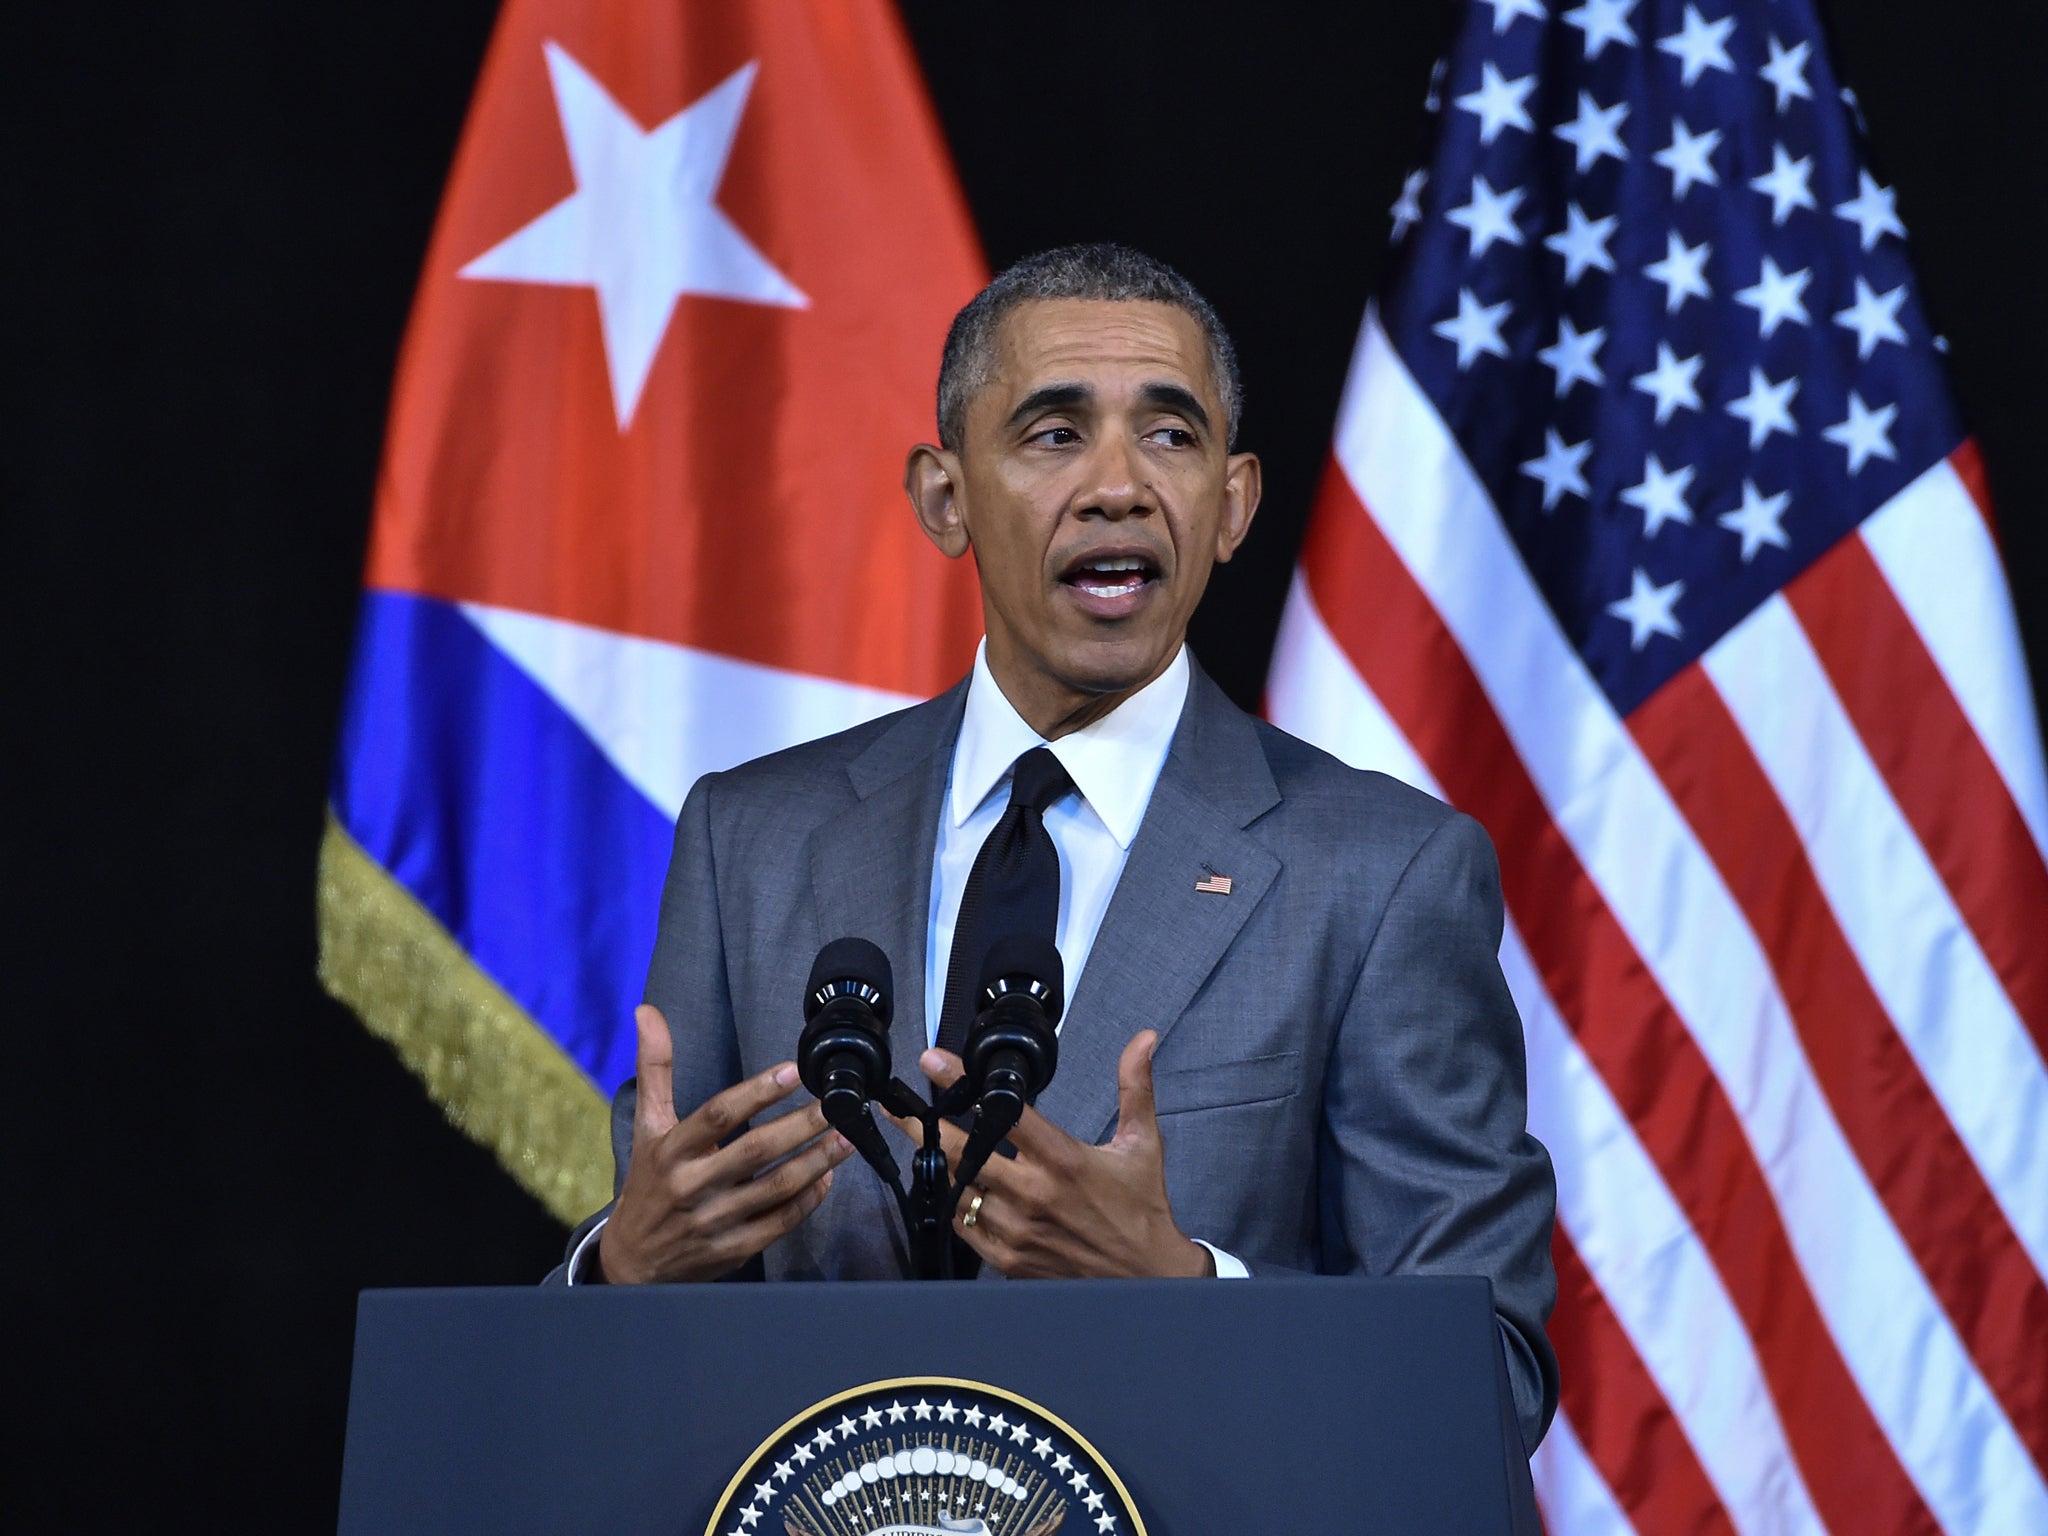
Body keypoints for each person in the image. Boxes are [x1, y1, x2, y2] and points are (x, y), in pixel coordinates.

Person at [545, 244, 1559, 1449]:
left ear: (1232, 506)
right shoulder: (750, 837)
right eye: (1053, 433)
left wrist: (1183, 1292)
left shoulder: (1383, 874)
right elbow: (633, 1375)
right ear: (944, 498)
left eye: (1170, 436)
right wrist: (620, 1272)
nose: (1118, 486)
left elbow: (1485, 1383)